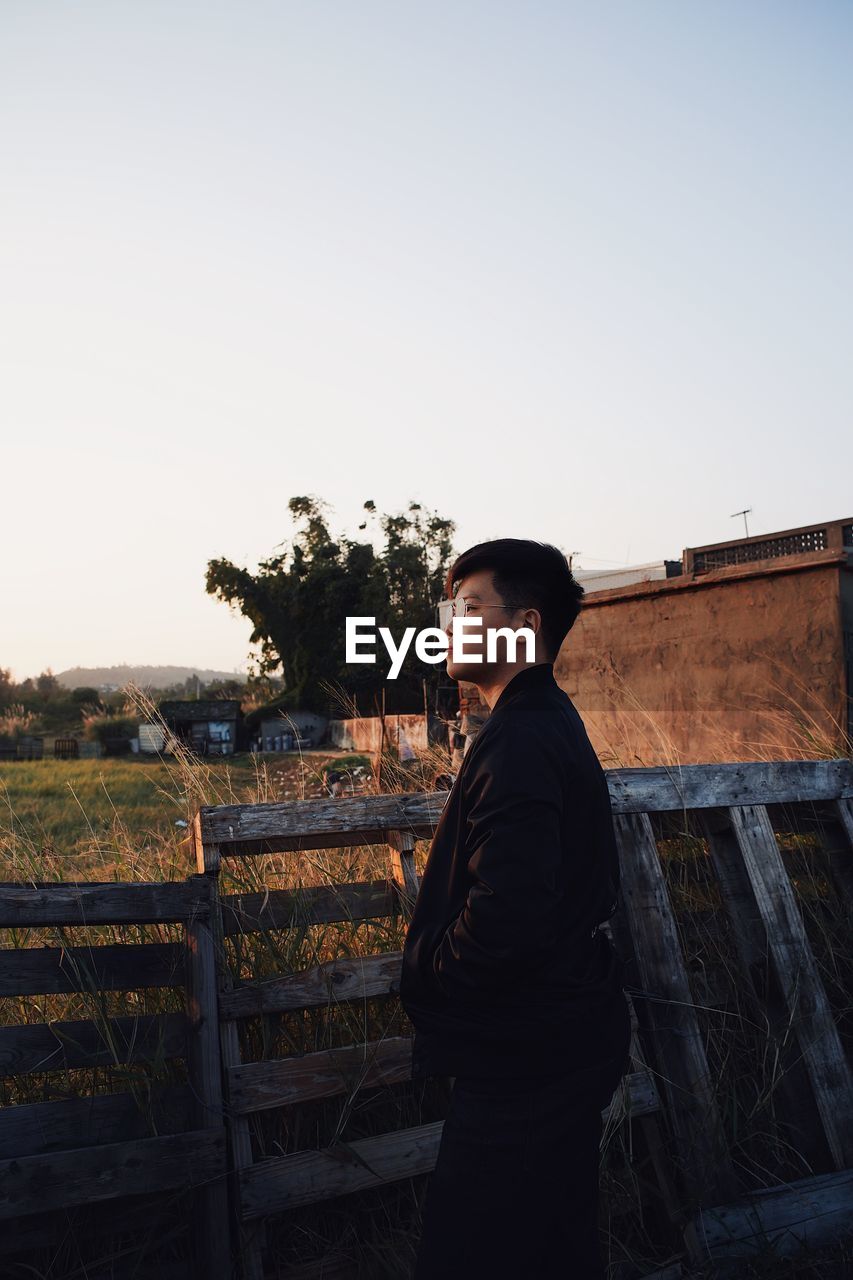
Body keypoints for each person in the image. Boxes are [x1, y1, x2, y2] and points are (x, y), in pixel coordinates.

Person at [399, 538, 631, 1280]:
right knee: (551, 1247)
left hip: (525, 1059)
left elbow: (508, 913)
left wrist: (434, 975)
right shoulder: (537, 722)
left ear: (524, 626)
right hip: (556, 1038)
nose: (446, 625)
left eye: (468, 609)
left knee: (469, 1253)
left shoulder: (522, 738)